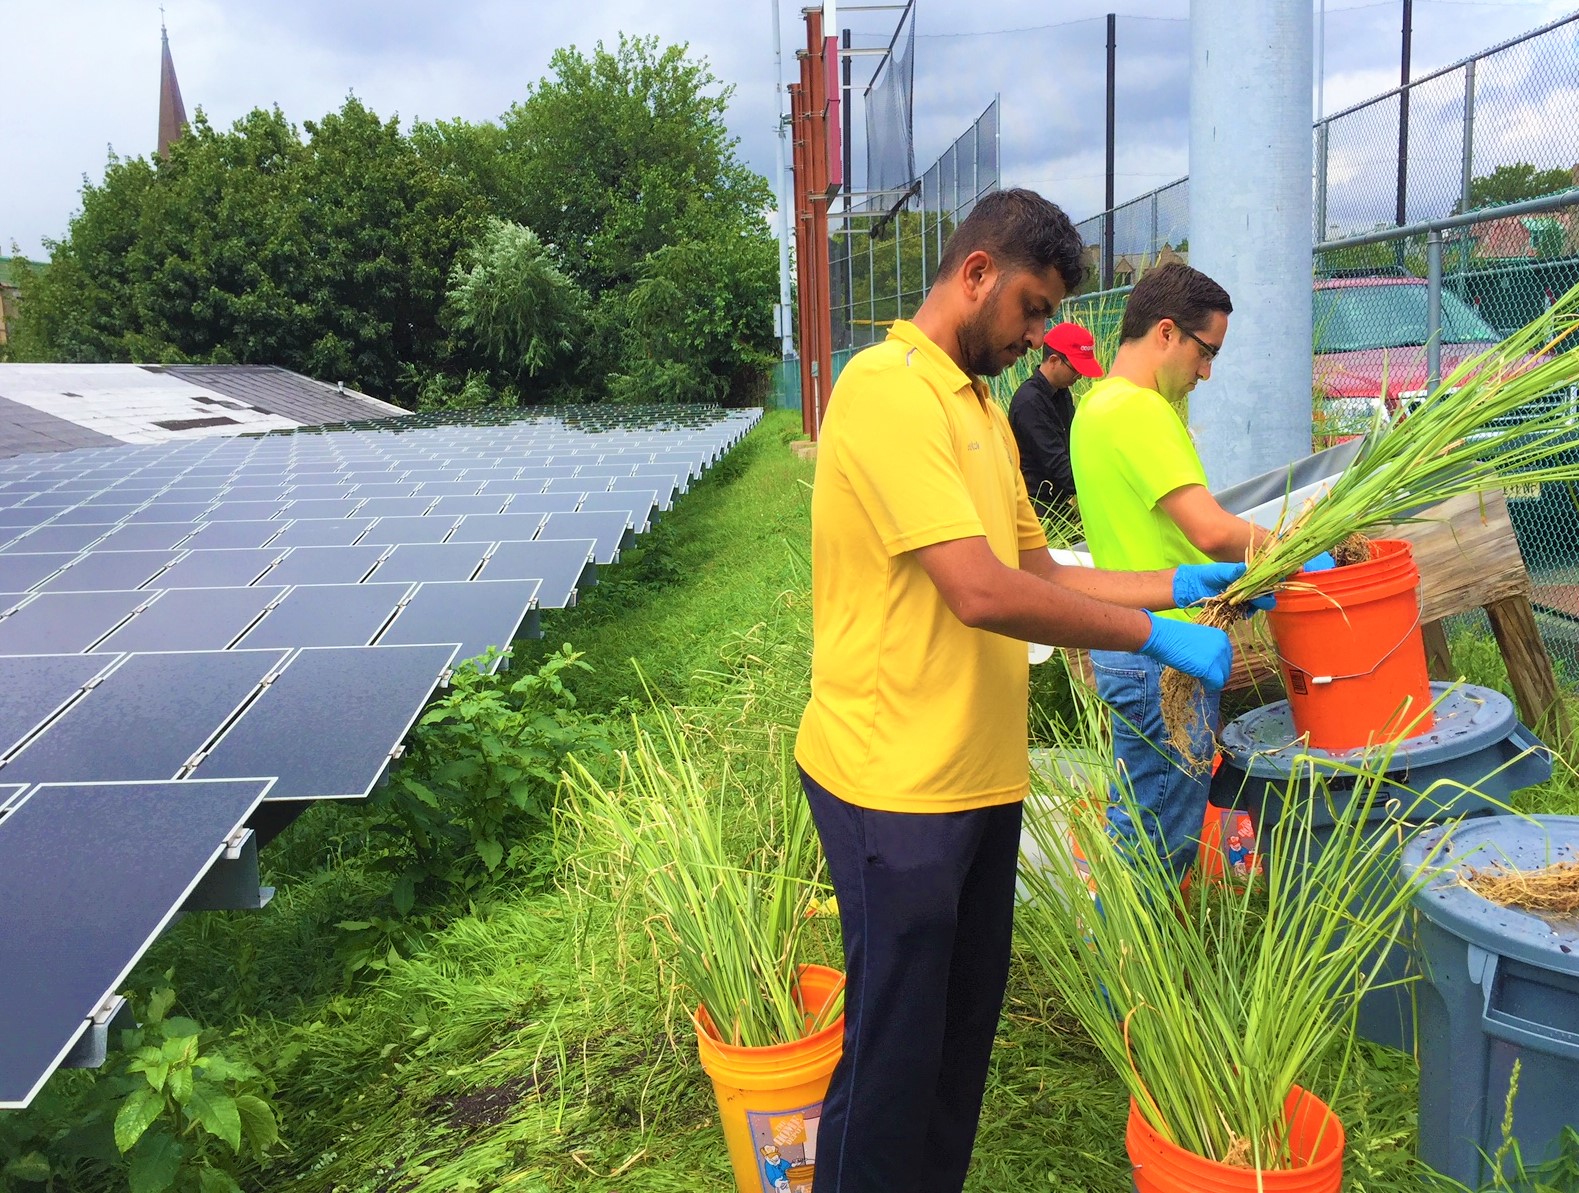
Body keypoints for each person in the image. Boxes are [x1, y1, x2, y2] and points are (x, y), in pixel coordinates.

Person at [794, 190, 1256, 1193]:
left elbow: (1039, 571)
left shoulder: (975, 411)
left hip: (979, 777)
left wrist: (1173, 582)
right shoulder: (885, 391)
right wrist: (1151, 632)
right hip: (894, 784)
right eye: (1033, 308)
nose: (1041, 335)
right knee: (891, 1054)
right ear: (974, 275)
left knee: (956, 1043)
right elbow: (977, 588)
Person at [1069, 262, 1333, 879]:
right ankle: (1129, 975)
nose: (1207, 371)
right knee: (1162, 842)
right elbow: (1211, 531)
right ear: (1166, 333)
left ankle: (1119, 960)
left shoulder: (1096, 408)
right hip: (1165, 653)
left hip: (1133, 642)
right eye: (1206, 351)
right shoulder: (1139, 412)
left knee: (1139, 821)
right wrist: (1293, 548)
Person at [1008, 321, 1104, 517]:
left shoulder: (1061, 393)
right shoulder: (1030, 402)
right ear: (1053, 361)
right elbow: (1057, 465)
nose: (1080, 376)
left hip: (1057, 501)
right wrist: (1103, 488)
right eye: (1075, 368)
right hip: (1035, 506)